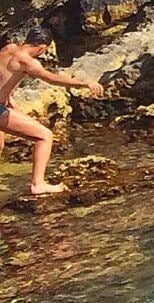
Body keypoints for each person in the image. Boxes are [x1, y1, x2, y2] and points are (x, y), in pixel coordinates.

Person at [0, 26, 104, 198]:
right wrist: (83, 83)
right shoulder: (28, 61)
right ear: (42, 47)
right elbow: (51, 78)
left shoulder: (9, 48)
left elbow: (5, 74)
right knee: (45, 136)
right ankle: (38, 184)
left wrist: (8, 96)